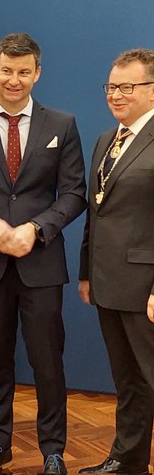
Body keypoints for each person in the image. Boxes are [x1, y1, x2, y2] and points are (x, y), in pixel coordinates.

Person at [0, 33, 86, 475]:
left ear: (37, 73)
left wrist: (35, 229)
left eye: (24, 71)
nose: (14, 79)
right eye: (7, 70)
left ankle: (53, 450)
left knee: (48, 362)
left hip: (41, 264)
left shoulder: (61, 124)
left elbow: (75, 193)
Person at [78, 48, 154, 475]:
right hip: (109, 285)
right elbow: (96, 211)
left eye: (128, 87)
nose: (116, 95)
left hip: (146, 289)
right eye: (111, 86)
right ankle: (128, 461)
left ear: (152, 90)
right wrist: (88, 272)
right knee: (129, 383)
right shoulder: (108, 139)